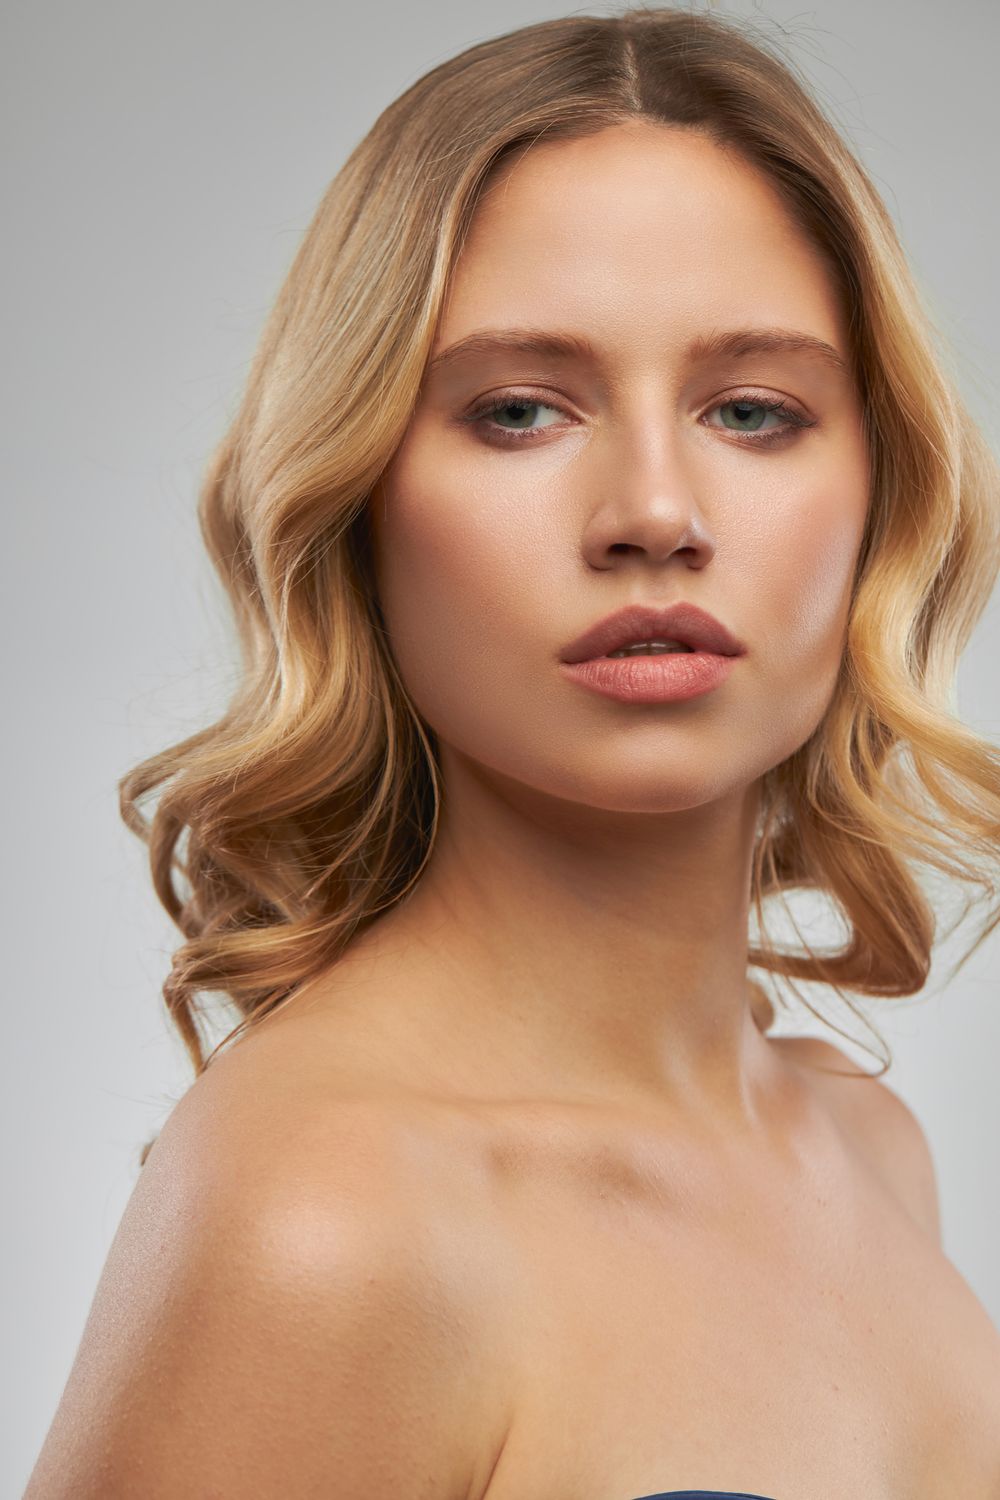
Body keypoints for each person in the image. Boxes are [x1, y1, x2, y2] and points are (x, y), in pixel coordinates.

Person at [25, 6, 1000, 1497]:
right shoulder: (331, 1213)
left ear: (882, 486)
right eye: (519, 410)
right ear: (357, 498)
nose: (654, 511)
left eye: (753, 409)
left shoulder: (869, 1148)